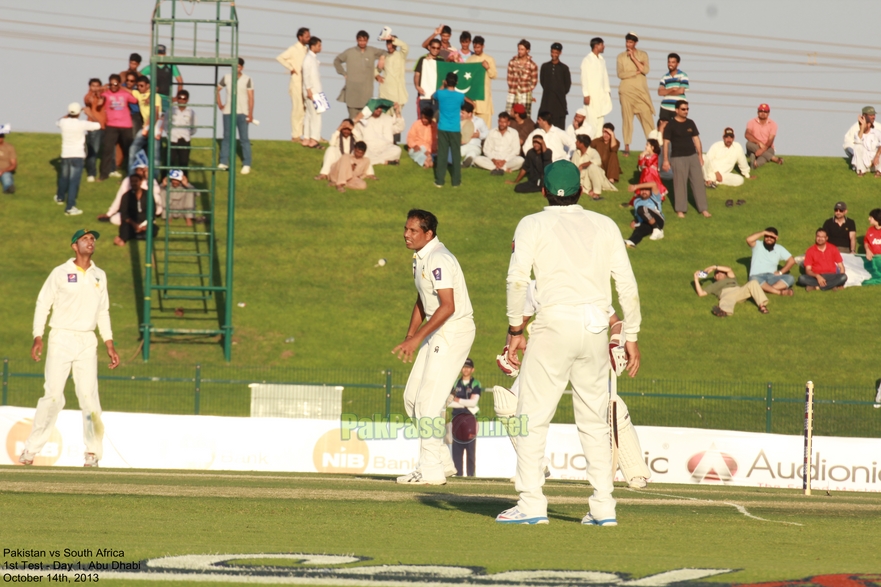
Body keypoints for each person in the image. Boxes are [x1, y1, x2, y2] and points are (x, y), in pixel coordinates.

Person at [497, 160, 641, 526]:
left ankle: (531, 504)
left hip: (554, 324)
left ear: (543, 190)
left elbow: (517, 280)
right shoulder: (605, 225)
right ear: (581, 190)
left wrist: (515, 330)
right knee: (594, 421)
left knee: (530, 417)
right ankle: (603, 508)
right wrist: (632, 336)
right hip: (595, 327)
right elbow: (626, 284)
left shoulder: (532, 223)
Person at [494, 281, 650, 490]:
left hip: (584, 350)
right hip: (546, 353)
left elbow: (616, 322)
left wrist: (615, 341)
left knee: (608, 405)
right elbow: (517, 326)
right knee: (507, 404)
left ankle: (636, 471)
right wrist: (508, 347)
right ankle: (533, 466)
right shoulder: (534, 286)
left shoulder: (586, 280)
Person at [18, 229, 120, 468]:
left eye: (92, 239)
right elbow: (43, 304)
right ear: (74, 246)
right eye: (85, 239)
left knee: (89, 397)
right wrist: (38, 336)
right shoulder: (60, 272)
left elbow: (103, 311)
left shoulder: (99, 275)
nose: (90, 242)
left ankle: (92, 453)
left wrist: (109, 342)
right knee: (53, 396)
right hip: (61, 337)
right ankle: (31, 451)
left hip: (87, 340)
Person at [394, 209, 475, 485]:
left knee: (428, 404)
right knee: (412, 399)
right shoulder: (420, 258)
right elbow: (422, 299)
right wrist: (410, 336)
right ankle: (442, 460)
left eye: (413, 230)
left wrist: (417, 339)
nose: (406, 234)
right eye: (405, 229)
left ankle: (431, 473)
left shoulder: (438, 258)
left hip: (453, 329)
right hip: (437, 329)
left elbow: (448, 307)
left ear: (428, 234)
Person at [663, 100, 710, 218]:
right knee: (680, 184)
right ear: (677, 110)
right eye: (683, 109)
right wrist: (665, 160)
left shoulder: (690, 123)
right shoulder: (671, 125)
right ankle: (680, 210)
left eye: (687, 109)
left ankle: (703, 209)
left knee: (698, 182)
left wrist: (700, 155)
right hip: (678, 157)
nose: (686, 111)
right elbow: (666, 143)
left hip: (692, 156)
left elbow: (696, 139)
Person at [56, 103, 101, 216]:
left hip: (65, 154)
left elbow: (58, 121)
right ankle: (70, 207)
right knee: (73, 182)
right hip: (77, 155)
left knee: (64, 177)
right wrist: (90, 114)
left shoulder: (63, 122)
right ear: (79, 113)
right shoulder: (82, 124)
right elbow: (98, 125)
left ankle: (60, 198)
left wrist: (69, 114)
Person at [616, 32, 655, 156]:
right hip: (626, 92)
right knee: (627, 119)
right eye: (627, 42)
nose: (628, 44)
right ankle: (627, 147)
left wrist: (634, 58)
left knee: (647, 118)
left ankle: (653, 147)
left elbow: (645, 70)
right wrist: (634, 72)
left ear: (635, 43)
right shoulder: (621, 57)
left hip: (641, 93)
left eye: (631, 42)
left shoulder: (642, 55)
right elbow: (620, 74)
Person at [97, 154, 163, 226]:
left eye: (143, 170)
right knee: (115, 219)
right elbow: (119, 197)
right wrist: (109, 213)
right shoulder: (128, 180)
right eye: (138, 170)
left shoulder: (151, 181)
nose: (141, 172)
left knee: (155, 197)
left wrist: (148, 180)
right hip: (132, 211)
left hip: (147, 212)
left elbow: (156, 199)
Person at [334, 30, 385, 119]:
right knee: (353, 121)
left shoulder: (372, 51)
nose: (362, 43)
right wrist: (343, 73)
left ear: (367, 41)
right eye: (360, 40)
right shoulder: (349, 52)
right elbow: (337, 61)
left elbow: (385, 52)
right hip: (352, 93)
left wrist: (382, 59)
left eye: (364, 40)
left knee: (366, 122)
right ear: (357, 40)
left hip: (366, 93)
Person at [217, 57, 254, 175]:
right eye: (234, 66)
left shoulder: (247, 79)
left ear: (242, 67)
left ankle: (247, 163)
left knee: (244, 139)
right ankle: (223, 162)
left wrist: (251, 113)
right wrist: (220, 104)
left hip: (243, 112)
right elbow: (217, 89)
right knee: (227, 137)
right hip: (228, 112)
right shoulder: (226, 77)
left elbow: (251, 97)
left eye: (238, 66)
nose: (236, 68)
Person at [99, 74, 137, 181]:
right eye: (111, 84)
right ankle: (104, 174)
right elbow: (99, 102)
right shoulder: (106, 94)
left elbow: (136, 99)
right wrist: (102, 90)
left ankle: (129, 174)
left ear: (119, 84)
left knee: (129, 150)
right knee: (107, 149)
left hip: (126, 125)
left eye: (115, 84)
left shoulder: (124, 94)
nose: (113, 86)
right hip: (111, 125)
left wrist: (124, 88)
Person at [275, 27, 310, 142]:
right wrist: (291, 68)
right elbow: (280, 58)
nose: (308, 38)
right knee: (297, 109)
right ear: (300, 37)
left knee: (307, 109)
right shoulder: (293, 49)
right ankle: (295, 135)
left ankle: (308, 134)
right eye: (307, 36)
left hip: (307, 84)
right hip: (296, 83)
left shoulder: (306, 50)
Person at [433, 73, 468, 187]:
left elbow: (433, 96)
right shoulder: (460, 96)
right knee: (456, 155)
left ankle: (439, 181)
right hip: (455, 129)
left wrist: (442, 86)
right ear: (456, 83)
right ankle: (456, 182)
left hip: (442, 127)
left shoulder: (440, 93)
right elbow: (463, 104)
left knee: (442, 154)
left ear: (446, 81)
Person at [447, 358, 481, 477]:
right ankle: (458, 474)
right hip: (457, 418)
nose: (465, 369)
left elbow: (473, 403)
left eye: (468, 367)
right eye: (464, 367)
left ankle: (471, 475)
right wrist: (464, 402)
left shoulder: (475, 384)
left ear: (472, 369)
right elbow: (449, 402)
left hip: (470, 420)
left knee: (470, 450)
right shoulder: (456, 383)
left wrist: (457, 400)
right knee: (457, 449)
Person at [694, 265, 769, 317]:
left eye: (721, 272)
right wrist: (696, 279)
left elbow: (729, 269)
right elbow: (701, 293)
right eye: (717, 273)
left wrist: (714, 267)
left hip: (739, 291)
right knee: (726, 299)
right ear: (714, 277)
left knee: (753, 282)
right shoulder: (713, 285)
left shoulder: (731, 278)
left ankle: (762, 306)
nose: (719, 273)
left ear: (725, 275)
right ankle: (723, 311)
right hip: (726, 293)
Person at [376, 32, 410, 140]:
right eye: (388, 43)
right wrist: (377, 76)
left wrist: (393, 38)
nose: (389, 46)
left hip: (398, 93)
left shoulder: (401, 55)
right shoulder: (383, 56)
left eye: (391, 43)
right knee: (385, 118)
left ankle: (394, 143)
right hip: (386, 91)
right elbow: (376, 70)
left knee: (396, 118)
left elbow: (405, 46)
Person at [129, 75, 163, 175]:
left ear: (148, 85)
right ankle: (131, 176)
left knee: (154, 154)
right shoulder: (139, 94)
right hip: (145, 126)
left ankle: (155, 179)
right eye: (138, 86)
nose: (139, 88)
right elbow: (127, 90)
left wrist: (149, 129)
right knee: (133, 149)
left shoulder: (155, 96)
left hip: (154, 126)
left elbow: (156, 114)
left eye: (142, 86)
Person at [746, 228, 796, 296]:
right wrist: (763, 232)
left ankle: (765, 289)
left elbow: (791, 261)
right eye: (767, 236)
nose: (769, 238)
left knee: (790, 278)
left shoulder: (779, 248)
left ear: (776, 238)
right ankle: (779, 292)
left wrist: (780, 272)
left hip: (772, 277)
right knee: (753, 280)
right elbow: (748, 239)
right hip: (757, 276)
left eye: (772, 237)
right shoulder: (757, 245)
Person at [115, 173, 160, 246]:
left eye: (136, 181)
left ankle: (132, 236)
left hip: (145, 221)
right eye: (132, 181)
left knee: (153, 229)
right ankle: (127, 237)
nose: (134, 183)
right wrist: (134, 225)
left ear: (141, 182)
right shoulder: (126, 196)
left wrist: (146, 225)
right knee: (125, 228)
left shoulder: (148, 194)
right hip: (131, 222)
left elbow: (152, 211)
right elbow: (124, 214)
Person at [580, 38, 613, 134]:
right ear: (596, 46)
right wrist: (586, 94)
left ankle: (598, 146)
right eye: (602, 45)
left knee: (600, 122)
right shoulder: (587, 60)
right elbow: (584, 78)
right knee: (591, 122)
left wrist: (608, 91)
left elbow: (605, 77)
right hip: (591, 96)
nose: (604, 47)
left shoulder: (602, 60)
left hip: (601, 96)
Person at [140, 44, 184, 111]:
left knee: (166, 118)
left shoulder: (171, 66)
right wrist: (146, 89)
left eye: (162, 54)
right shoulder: (151, 67)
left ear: (165, 54)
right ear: (155, 54)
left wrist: (177, 97)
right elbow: (138, 77)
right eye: (158, 54)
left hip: (166, 99)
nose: (160, 56)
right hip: (153, 97)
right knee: (152, 117)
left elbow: (180, 81)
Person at [538, 43, 571, 129]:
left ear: (560, 53)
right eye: (552, 52)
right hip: (546, 103)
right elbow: (543, 82)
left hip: (559, 105)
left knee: (558, 129)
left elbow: (567, 86)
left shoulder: (564, 68)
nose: (554, 54)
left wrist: (558, 91)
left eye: (556, 52)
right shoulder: (545, 66)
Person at [466, 37, 497, 127]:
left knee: (485, 128)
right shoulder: (470, 60)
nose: (476, 49)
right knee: (471, 128)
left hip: (484, 100)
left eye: (478, 47)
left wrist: (487, 67)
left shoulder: (489, 59)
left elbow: (494, 75)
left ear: (483, 46)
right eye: (475, 47)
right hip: (472, 99)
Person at [571, 134, 613, 200]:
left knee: (593, 167)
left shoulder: (593, 152)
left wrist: (582, 165)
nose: (575, 143)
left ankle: (596, 193)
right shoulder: (576, 153)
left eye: (577, 141)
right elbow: (572, 167)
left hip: (594, 178)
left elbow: (598, 161)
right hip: (581, 180)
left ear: (582, 144)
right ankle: (587, 191)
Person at [625, 181, 664, 246]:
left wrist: (636, 186)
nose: (644, 192)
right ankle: (631, 242)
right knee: (639, 230)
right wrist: (635, 221)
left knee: (642, 209)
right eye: (642, 190)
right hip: (646, 222)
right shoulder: (637, 201)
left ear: (650, 192)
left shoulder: (655, 197)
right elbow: (639, 215)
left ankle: (658, 229)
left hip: (658, 221)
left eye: (646, 190)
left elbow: (654, 184)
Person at [843, 106, 881, 174]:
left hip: (875, 159)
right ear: (864, 115)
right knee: (858, 147)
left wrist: (877, 156)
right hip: (862, 157)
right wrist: (862, 127)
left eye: (874, 115)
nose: (873, 117)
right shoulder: (856, 128)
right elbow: (849, 143)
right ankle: (860, 169)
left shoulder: (878, 128)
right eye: (871, 115)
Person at [506, 40, 538, 118]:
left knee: (525, 116)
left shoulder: (532, 65)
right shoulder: (512, 62)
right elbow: (509, 77)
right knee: (509, 115)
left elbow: (534, 81)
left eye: (522, 49)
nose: (519, 51)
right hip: (513, 92)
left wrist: (526, 90)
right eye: (519, 49)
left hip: (525, 93)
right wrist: (513, 87)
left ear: (527, 50)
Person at [302, 37, 324, 149]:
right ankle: (314, 139)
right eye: (319, 45)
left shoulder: (313, 58)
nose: (320, 47)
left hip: (316, 91)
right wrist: (309, 90)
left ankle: (306, 138)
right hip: (313, 92)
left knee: (309, 115)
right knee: (317, 115)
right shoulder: (308, 59)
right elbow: (306, 75)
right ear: (313, 46)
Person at [745, 103, 783, 167]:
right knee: (748, 144)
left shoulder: (773, 124)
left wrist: (762, 150)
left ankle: (755, 164)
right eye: (761, 111)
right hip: (754, 146)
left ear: (768, 113)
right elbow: (747, 135)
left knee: (764, 156)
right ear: (758, 112)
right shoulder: (751, 122)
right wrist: (759, 143)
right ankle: (774, 159)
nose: (763, 113)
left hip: (768, 147)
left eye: (765, 111)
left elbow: (770, 140)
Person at [83, 78, 106, 182]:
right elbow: (88, 100)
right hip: (94, 126)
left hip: (106, 125)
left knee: (109, 150)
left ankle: (111, 170)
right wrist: (95, 94)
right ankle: (91, 173)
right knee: (93, 150)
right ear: (89, 87)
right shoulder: (88, 96)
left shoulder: (104, 93)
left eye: (97, 85)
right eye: (93, 86)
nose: (95, 88)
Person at [657, 53, 689, 121]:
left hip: (677, 108)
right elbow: (660, 92)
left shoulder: (683, 75)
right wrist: (672, 89)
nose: (670, 64)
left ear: (678, 64)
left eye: (673, 62)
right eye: (669, 62)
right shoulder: (664, 77)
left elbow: (681, 91)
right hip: (665, 107)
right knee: (663, 126)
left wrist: (666, 92)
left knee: (678, 128)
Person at [413, 39, 442, 115]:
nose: (435, 50)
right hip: (424, 96)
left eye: (438, 48)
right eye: (433, 47)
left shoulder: (442, 61)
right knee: (424, 119)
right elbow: (417, 74)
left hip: (437, 97)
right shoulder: (422, 59)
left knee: (436, 121)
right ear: (429, 47)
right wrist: (417, 86)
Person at [169, 89, 196, 170]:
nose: (181, 100)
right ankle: (164, 181)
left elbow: (194, 126)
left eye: (184, 98)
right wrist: (169, 133)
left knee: (184, 163)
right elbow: (166, 123)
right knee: (169, 162)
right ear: (177, 99)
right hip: (172, 139)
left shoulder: (191, 112)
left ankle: (184, 181)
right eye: (179, 98)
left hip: (185, 139)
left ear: (187, 100)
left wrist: (187, 134)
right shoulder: (171, 110)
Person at [460, 102, 488, 166]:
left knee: (472, 153)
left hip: (475, 146)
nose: (461, 114)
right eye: (461, 112)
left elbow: (487, 133)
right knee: (454, 153)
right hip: (462, 145)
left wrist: (479, 135)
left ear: (469, 114)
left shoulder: (479, 121)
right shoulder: (459, 121)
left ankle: (466, 163)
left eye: (463, 113)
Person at [862, 208, 881, 286]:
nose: (868, 219)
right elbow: (866, 241)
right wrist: (867, 250)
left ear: (876, 218)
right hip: (874, 260)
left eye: (871, 217)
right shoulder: (870, 230)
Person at [0, 127, 18, 194]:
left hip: (5, 170)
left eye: (0, 136)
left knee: (6, 177)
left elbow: (14, 164)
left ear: (3, 137)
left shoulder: (9, 147)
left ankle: (8, 188)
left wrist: (3, 170)